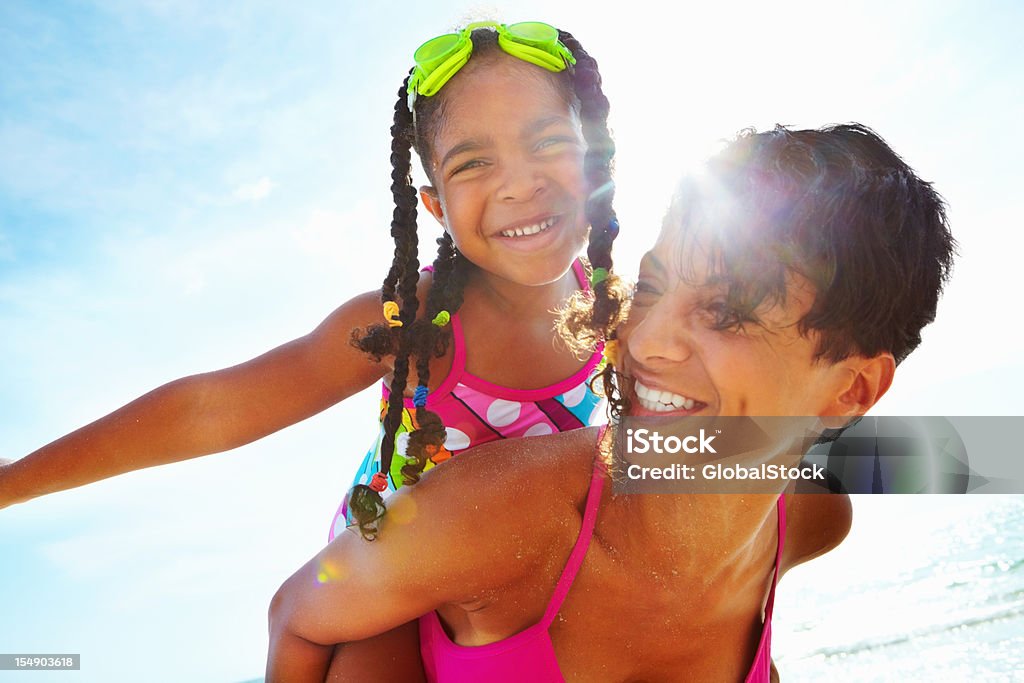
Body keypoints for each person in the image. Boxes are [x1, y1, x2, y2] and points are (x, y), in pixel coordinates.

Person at [0, 19, 625, 680]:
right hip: (391, 581)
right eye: (474, 163)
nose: (519, 184)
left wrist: (740, 460)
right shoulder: (411, 325)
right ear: (435, 205)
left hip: (529, 571)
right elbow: (210, 409)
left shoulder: (631, 320)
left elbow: (701, 446)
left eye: (548, 142)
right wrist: (14, 480)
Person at [265, 123, 956, 682]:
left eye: (724, 311)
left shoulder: (812, 516)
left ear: (849, 390)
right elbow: (298, 614)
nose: (647, 340)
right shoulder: (502, 510)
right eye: (651, 288)